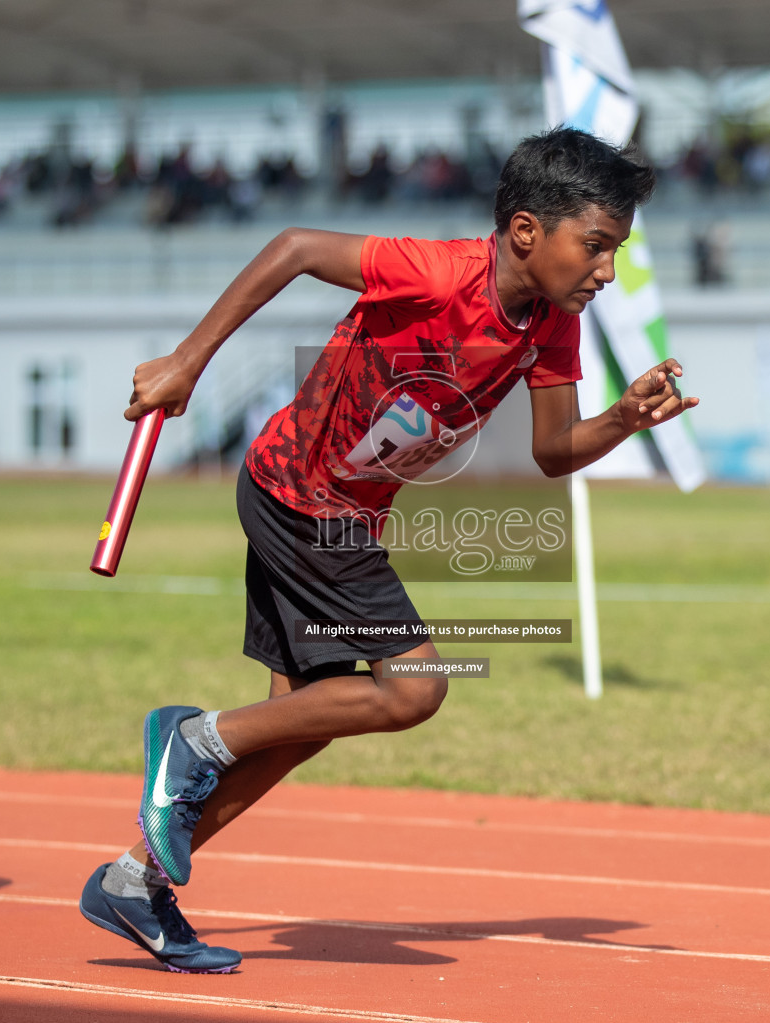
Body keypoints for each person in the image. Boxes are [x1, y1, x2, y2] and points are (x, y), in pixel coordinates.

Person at [75, 127, 697, 972]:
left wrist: (624, 420)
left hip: (343, 515)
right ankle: (194, 740)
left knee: (294, 726)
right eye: (595, 246)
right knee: (415, 688)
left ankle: (135, 879)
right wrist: (189, 360)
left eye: (614, 251)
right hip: (303, 500)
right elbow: (294, 247)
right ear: (525, 232)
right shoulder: (437, 273)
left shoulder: (551, 327)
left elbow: (552, 453)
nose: (605, 271)